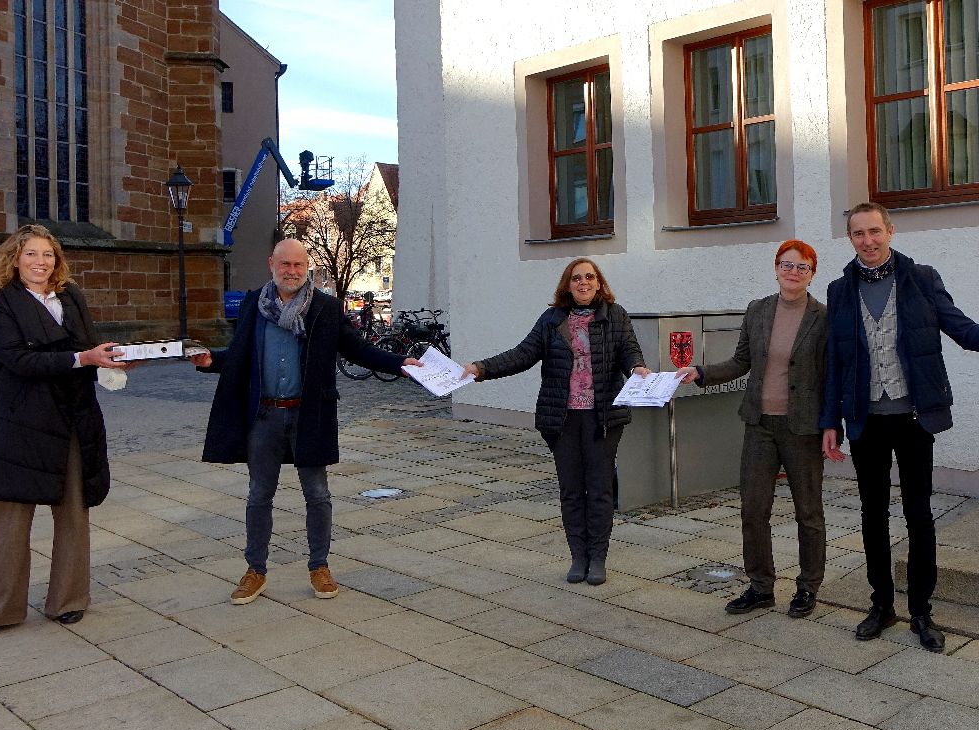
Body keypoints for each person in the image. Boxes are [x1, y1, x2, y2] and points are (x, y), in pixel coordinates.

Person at [820, 203, 979, 652]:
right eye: (859, 234)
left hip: (913, 417)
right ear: (850, 239)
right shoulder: (839, 290)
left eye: (875, 231)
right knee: (872, 515)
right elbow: (835, 362)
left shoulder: (921, 279)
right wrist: (830, 422)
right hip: (865, 419)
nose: (868, 241)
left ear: (891, 230)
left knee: (919, 514)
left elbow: (964, 330)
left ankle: (922, 611)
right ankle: (881, 605)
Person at [192, 239, 412, 604]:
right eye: (285, 264)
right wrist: (211, 360)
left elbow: (357, 349)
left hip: (308, 414)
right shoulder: (253, 305)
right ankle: (255, 570)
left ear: (306, 267)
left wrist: (399, 363)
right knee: (259, 494)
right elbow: (239, 355)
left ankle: (319, 566)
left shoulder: (324, 308)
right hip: (263, 415)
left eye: (298, 265)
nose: (291, 271)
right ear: (271, 264)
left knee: (318, 494)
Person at [0, 225, 128, 639]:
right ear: (15, 260)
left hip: (74, 418)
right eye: (31, 255)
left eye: (47, 255)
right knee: (8, 520)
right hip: (21, 423)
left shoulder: (71, 297)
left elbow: (89, 349)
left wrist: (112, 362)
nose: (40, 262)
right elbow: (20, 361)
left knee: (73, 514)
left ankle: (68, 600)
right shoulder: (1, 305)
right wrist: (82, 357)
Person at [462, 258, 648, 585]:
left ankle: (598, 559)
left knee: (601, 490)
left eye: (590, 277)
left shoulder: (615, 315)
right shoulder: (551, 320)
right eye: (576, 278)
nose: (583, 283)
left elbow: (630, 352)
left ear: (599, 283)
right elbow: (521, 355)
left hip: (603, 417)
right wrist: (481, 368)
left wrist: (638, 369)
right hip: (561, 419)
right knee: (571, 490)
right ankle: (578, 557)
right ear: (567, 285)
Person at [677, 240, 831, 619]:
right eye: (786, 264)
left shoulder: (824, 317)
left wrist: (832, 425)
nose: (792, 272)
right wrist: (701, 373)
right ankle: (761, 586)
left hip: (803, 427)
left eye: (801, 267)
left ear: (812, 273)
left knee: (808, 511)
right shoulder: (758, 310)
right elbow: (741, 361)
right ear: (776, 267)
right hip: (759, 424)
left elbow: (831, 376)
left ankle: (808, 586)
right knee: (753, 509)